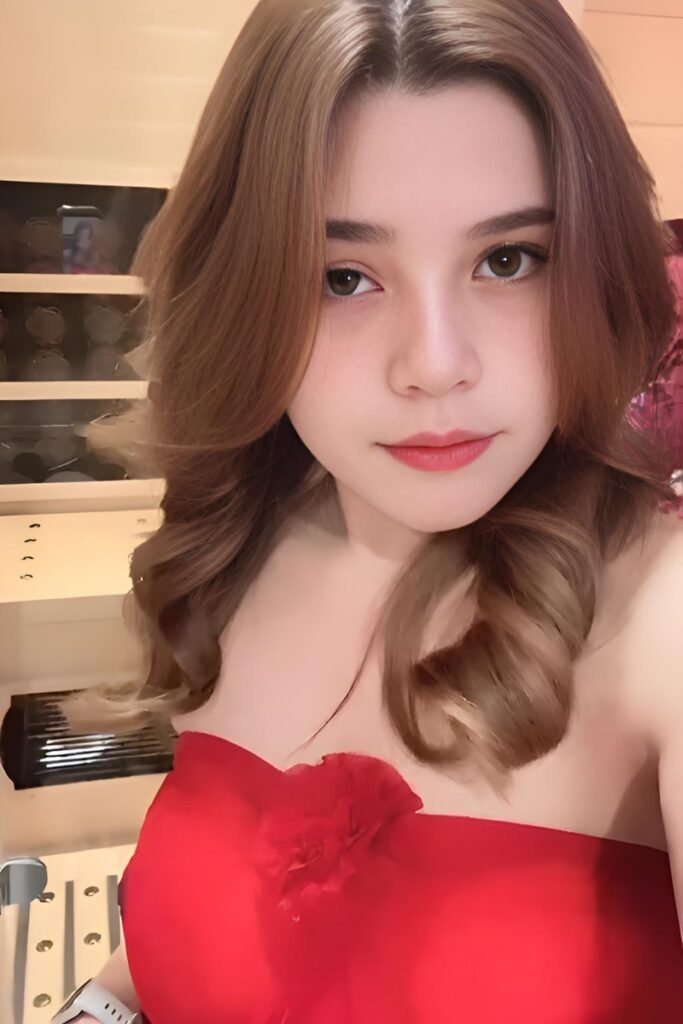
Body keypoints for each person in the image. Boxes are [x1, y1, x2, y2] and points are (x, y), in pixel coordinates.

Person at [53, 0, 683, 1021]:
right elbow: (187, 941)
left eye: (507, 258)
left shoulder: (661, 624)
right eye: (342, 276)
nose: (433, 365)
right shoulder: (243, 544)